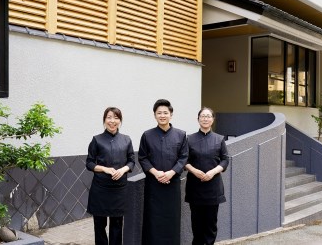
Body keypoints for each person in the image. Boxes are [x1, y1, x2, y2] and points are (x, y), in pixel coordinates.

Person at [138, 99, 189, 245]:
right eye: (159, 113)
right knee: (152, 220)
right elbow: (143, 158)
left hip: (172, 185)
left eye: (165, 113)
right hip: (153, 185)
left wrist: (171, 173)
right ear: (154, 115)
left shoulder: (180, 135)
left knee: (171, 220)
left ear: (171, 115)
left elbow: (183, 157)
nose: (162, 115)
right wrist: (156, 173)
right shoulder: (147, 135)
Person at [86, 107, 135, 245]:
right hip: (100, 189)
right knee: (100, 225)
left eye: (116, 118)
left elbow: (132, 161)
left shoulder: (126, 140)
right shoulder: (97, 140)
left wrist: (123, 169)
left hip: (119, 189)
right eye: (109, 117)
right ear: (104, 120)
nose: (112, 121)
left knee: (117, 225)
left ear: (120, 121)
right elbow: (89, 163)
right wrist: (104, 169)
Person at [185, 107, 230, 245]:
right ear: (198, 119)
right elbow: (183, 160)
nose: (205, 119)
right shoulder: (189, 139)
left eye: (208, 116)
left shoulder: (219, 139)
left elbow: (225, 159)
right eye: (202, 116)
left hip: (213, 187)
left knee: (211, 225)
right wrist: (194, 171)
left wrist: (213, 172)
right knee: (197, 224)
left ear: (212, 119)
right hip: (195, 187)